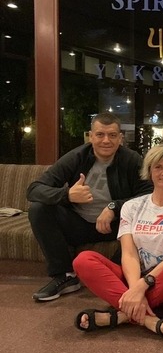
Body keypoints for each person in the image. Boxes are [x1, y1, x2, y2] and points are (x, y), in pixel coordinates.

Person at [72, 145, 163, 344]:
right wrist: (135, 288)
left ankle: (121, 314)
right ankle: (150, 321)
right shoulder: (131, 206)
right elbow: (129, 253)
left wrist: (143, 285)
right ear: (149, 172)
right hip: (135, 279)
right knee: (83, 260)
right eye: (158, 167)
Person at [26, 112, 153, 302]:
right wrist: (66, 195)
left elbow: (148, 194)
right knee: (38, 210)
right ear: (91, 136)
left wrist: (114, 207)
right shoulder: (76, 157)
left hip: (116, 226)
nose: (106, 140)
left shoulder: (131, 159)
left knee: (145, 222)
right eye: (100, 134)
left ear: (120, 138)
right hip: (79, 224)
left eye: (112, 135)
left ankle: (116, 275)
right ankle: (65, 276)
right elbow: (34, 189)